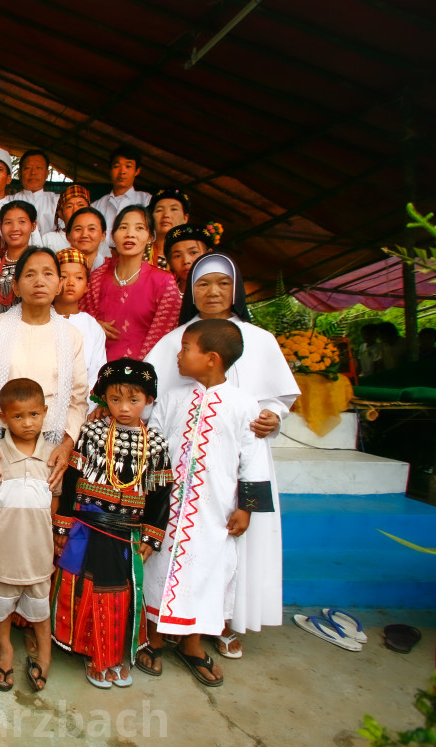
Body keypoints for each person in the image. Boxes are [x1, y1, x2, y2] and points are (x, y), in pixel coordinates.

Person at [144, 253, 299, 657]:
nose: (212, 292)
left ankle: (215, 625)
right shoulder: (174, 343)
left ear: (236, 288)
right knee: (164, 560)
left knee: (220, 560)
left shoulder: (259, 341)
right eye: (202, 284)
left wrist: (273, 415)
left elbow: (279, 398)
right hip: (172, 493)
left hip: (225, 486)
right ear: (190, 291)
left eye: (222, 283)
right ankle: (158, 630)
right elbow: (151, 409)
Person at [141, 319, 274, 688]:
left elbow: (253, 459)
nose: (178, 355)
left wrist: (245, 508)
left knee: (207, 574)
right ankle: (151, 639)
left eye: (186, 349)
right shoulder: (173, 399)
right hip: (165, 510)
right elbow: (153, 445)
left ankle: (192, 644)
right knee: (158, 569)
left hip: (212, 514)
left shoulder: (244, 405)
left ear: (212, 358)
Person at [52, 359, 172, 688]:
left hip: (127, 533)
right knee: (84, 590)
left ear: (149, 400)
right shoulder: (90, 434)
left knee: (120, 594)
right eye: (115, 399)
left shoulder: (157, 445)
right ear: (104, 398)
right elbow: (72, 481)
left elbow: (161, 496)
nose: (124, 407)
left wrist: (151, 536)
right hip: (85, 528)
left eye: (134, 400)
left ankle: (110, 655)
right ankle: (94, 654)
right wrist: (62, 527)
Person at [0, 247, 88, 491]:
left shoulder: (71, 336)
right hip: (0, 444)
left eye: (48, 274)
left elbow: (78, 399)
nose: (39, 281)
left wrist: (66, 445)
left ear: (59, 284)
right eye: (30, 275)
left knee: (42, 522)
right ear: (17, 286)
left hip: (51, 446)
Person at [0, 378, 59, 694]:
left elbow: (52, 507)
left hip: (38, 552)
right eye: (18, 416)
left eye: (34, 415)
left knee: (40, 606)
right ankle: (6, 650)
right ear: (3, 417)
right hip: (4, 552)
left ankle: (44, 653)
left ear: (45, 412)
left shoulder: (53, 456)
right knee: (1, 605)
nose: (27, 423)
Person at [82, 205, 180, 360]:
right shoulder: (96, 278)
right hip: (96, 370)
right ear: (113, 236)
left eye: (139, 228)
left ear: (150, 237)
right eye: (123, 227)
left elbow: (162, 338)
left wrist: (137, 374)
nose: (130, 234)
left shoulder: (164, 282)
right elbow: (82, 323)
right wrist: (92, 326)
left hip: (142, 373)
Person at [53, 249, 106, 408]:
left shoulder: (92, 326)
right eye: (63, 276)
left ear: (87, 287)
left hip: (82, 407)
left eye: (78, 277)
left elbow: (96, 373)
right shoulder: (41, 319)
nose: (70, 282)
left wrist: (85, 407)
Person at [90, 146, 152, 246]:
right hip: (102, 259)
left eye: (128, 166)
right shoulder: (96, 207)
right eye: (116, 166)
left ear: (137, 171)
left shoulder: (147, 201)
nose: (122, 171)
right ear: (110, 170)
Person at [0, 200, 38, 310]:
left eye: (22, 222)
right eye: (8, 222)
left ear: (33, 226)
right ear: (1, 227)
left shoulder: (42, 264)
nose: (14, 228)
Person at [13, 149, 58, 231]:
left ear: (47, 174)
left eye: (38, 167)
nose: (33, 172)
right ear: (19, 173)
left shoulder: (57, 201)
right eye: (27, 168)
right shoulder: (9, 201)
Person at [163, 223, 215, 293]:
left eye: (193, 252)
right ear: (169, 261)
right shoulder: (164, 295)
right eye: (178, 256)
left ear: (209, 254)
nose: (186, 261)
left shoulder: (219, 294)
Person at [148, 188, 190, 269]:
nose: (166, 215)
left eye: (174, 209)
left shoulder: (190, 259)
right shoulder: (138, 253)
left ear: (185, 218)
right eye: (159, 210)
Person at [41, 184, 91, 249]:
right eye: (69, 206)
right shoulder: (49, 239)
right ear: (61, 214)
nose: (75, 210)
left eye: (81, 205)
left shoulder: (95, 237)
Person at [64, 206, 110, 272]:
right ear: (68, 236)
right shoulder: (56, 267)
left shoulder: (112, 268)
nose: (84, 235)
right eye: (78, 229)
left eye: (92, 229)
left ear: (103, 236)